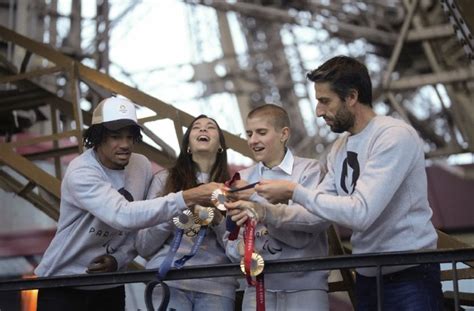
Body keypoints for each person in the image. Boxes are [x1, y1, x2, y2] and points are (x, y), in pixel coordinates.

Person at [252, 56, 443, 310]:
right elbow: (315, 214)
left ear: (351, 97)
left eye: (325, 101)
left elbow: (361, 213)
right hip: (367, 277)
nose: (319, 111)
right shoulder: (339, 147)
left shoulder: (393, 135)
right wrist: (263, 211)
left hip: (410, 276)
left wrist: (294, 191)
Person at [35, 97, 221, 311]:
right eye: (115, 137)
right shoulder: (81, 171)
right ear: (97, 137)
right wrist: (188, 197)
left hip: (109, 285)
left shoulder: (140, 165)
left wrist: (118, 258)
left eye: (130, 137)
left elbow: (141, 224)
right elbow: (124, 216)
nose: (125, 145)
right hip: (63, 285)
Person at [224, 104, 330, 311]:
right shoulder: (242, 178)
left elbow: (304, 234)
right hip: (256, 288)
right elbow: (231, 236)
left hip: (306, 288)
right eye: (249, 134)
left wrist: (257, 204)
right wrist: (239, 250)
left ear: (284, 134)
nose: (253, 140)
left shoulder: (309, 170)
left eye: (261, 132)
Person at [135, 115, 238, 311]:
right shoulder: (164, 180)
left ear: (220, 146)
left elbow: (240, 250)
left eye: (210, 127)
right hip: (168, 280)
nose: (203, 130)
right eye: (196, 127)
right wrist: (177, 208)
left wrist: (217, 221)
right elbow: (143, 246)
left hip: (217, 285)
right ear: (187, 146)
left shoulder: (234, 187)